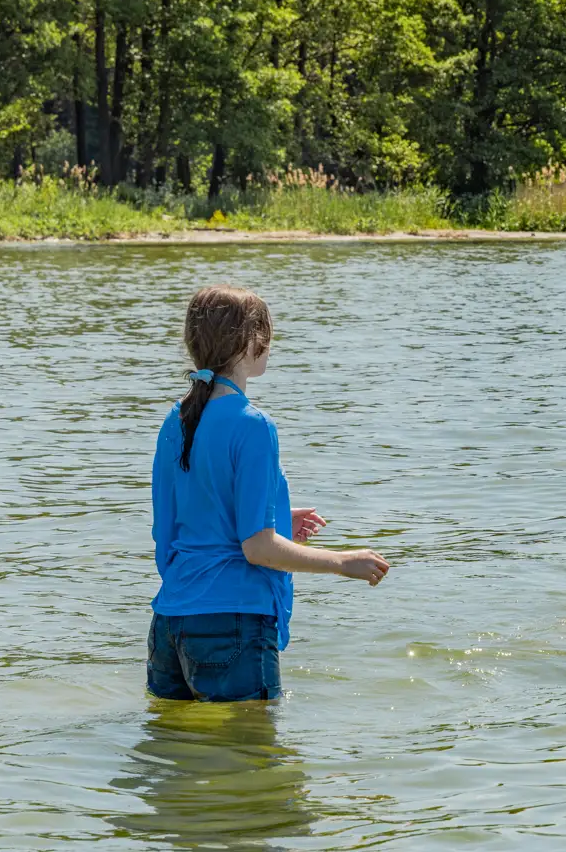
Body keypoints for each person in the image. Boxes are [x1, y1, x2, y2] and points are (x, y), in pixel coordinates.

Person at [147, 284, 391, 702]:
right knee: (252, 746)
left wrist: (275, 518)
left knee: (177, 742)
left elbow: (172, 531)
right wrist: (342, 562)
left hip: (169, 625)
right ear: (249, 343)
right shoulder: (253, 424)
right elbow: (257, 549)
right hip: (234, 622)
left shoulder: (177, 419)